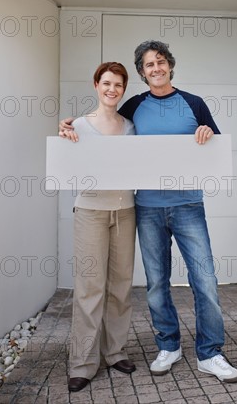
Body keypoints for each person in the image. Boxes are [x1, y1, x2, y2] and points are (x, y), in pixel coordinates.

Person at [60, 42, 237, 383]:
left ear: (170, 66)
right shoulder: (134, 107)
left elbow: (216, 148)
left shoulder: (193, 103)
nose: (155, 68)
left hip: (188, 206)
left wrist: (207, 133)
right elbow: (103, 129)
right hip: (146, 208)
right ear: (142, 74)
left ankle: (210, 353)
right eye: (148, 64)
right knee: (157, 284)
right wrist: (69, 126)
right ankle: (168, 346)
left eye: (160, 62)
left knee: (205, 280)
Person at [61, 62, 136, 393]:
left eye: (118, 85)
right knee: (90, 288)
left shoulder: (130, 126)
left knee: (120, 287)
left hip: (125, 212)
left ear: (123, 89)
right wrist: (64, 138)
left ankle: (115, 352)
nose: (112, 89)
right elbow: (66, 162)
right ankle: (82, 363)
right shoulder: (78, 125)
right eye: (107, 83)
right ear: (96, 85)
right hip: (90, 211)